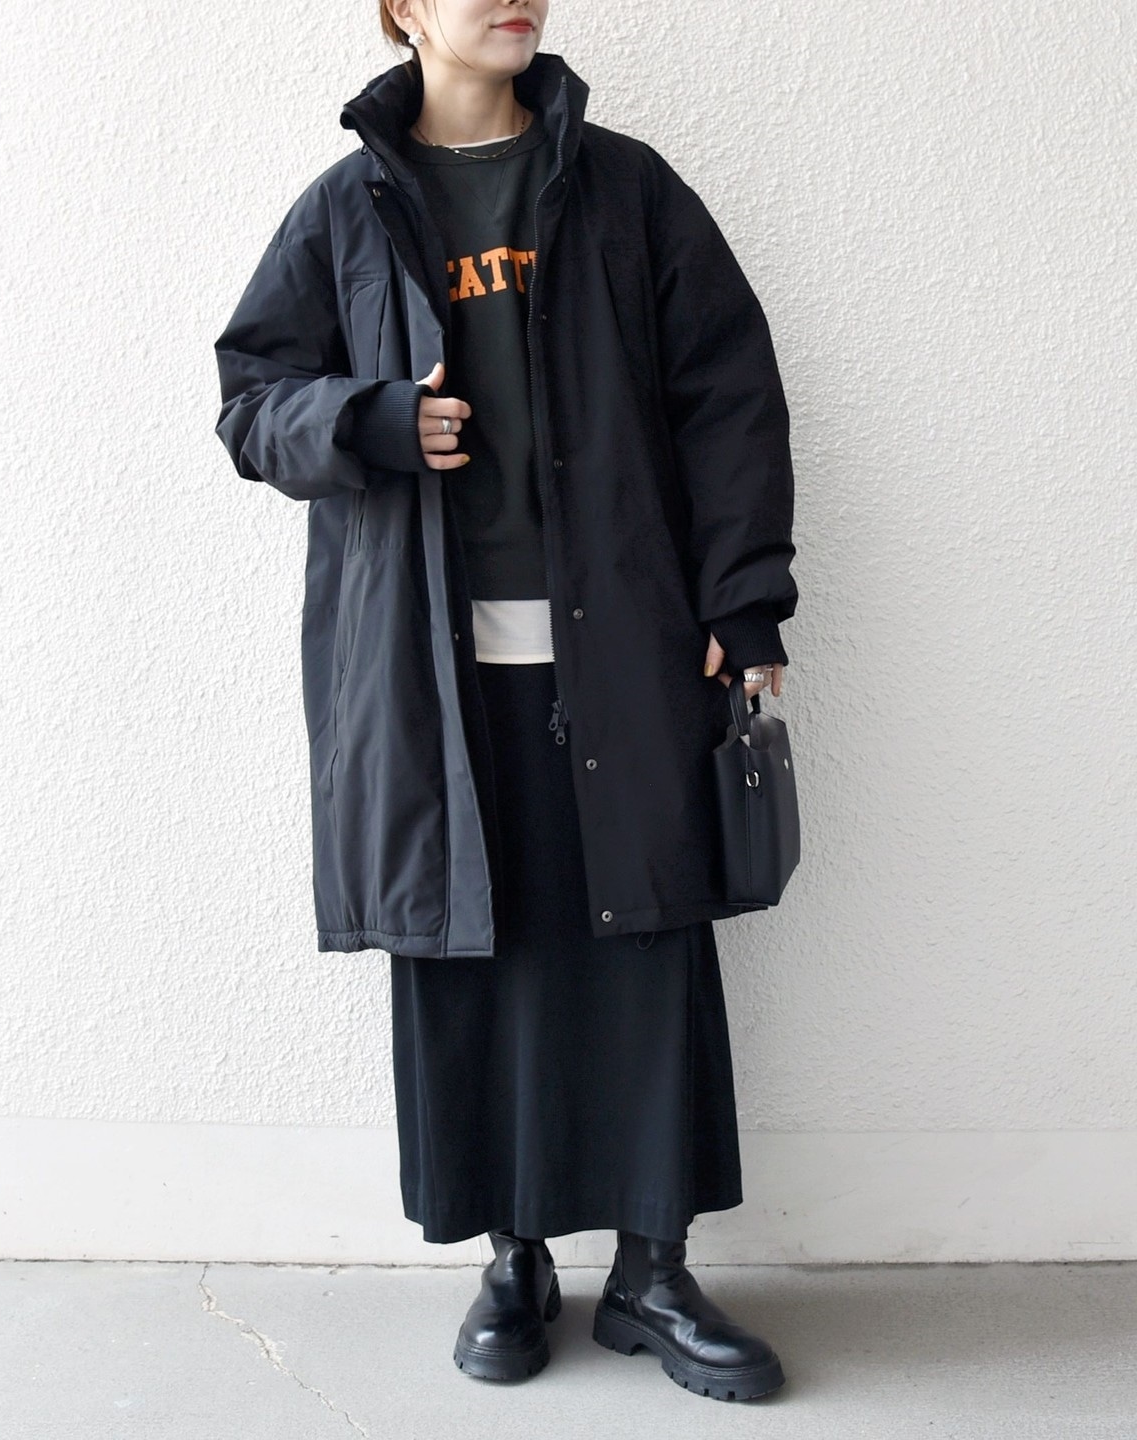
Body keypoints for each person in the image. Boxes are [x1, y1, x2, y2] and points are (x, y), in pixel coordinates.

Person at [212, 0, 798, 1405]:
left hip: (630, 652)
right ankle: (513, 1261)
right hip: (425, 668)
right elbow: (250, 403)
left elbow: (729, 394)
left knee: (648, 950)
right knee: (474, 957)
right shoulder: (347, 209)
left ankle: (653, 1275)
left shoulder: (625, 190)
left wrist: (745, 602)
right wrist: (365, 419)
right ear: (404, 11)